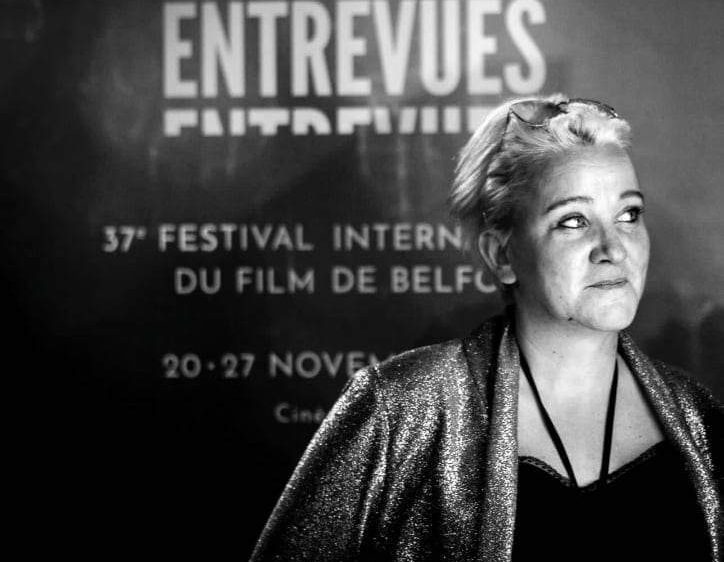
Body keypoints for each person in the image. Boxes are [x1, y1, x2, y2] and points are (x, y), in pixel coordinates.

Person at [251, 94, 723, 561]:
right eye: (573, 221)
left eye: (629, 214)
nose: (614, 248)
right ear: (502, 255)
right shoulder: (399, 409)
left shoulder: (701, 418)